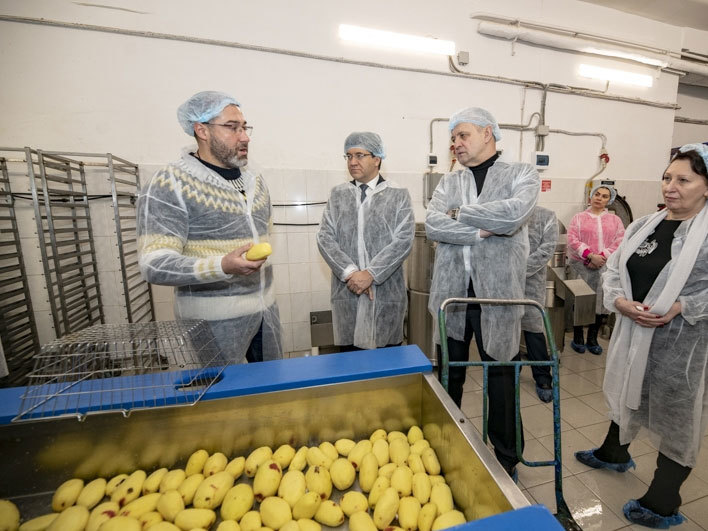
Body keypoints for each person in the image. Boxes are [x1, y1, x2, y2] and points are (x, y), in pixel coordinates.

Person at [574, 144, 708, 528]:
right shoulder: (644, 224)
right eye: (667, 177)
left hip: (684, 346)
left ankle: (664, 500)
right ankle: (614, 452)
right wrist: (618, 299)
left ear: (706, 187)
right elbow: (614, 267)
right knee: (627, 390)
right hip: (633, 330)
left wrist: (680, 306)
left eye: (684, 179)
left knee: (679, 417)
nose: (671, 186)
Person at [426, 107, 540, 478]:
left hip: (499, 297)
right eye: (453, 138)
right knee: (449, 376)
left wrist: (459, 214)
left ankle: (507, 454)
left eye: (463, 135)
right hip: (452, 296)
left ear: (488, 133)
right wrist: (477, 229)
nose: (456, 144)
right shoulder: (449, 181)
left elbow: (513, 214)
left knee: (501, 377)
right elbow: (433, 223)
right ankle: (445, 446)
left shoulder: (521, 173)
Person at [137, 91, 282, 364]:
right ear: (201, 130)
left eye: (244, 127)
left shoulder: (256, 183)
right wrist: (222, 266)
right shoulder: (170, 183)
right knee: (224, 401)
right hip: (213, 323)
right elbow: (154, 264)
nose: (245, 136)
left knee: (272, 395)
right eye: (232, 127)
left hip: (266, 315)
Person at [316, 132, 414, 351]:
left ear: (377, 158)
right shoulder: (338, 195)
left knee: (387, 365)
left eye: (359, 155)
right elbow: (325, 237)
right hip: (347, 293)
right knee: (351, 368)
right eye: (348, 156)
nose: (352, 162)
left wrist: (370, 274)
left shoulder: (398, 195)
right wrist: (352, 273)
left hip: (385, 296)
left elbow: (403, 241)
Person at [566, 184, 625, 354]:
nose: (600, 198)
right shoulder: (578, 218)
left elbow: (619, 241)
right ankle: (578, 337)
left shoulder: (615, 220)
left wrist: (602, 256)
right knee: (581, 301)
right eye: (597, 194)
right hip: (581, 265)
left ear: (610, 200)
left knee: (601, 302)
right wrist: (590, 256)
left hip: (604, 266)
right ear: (591, 197)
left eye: (605, 196)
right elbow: (572, 239)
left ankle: (592, 338)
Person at [521, 205, 559, 403]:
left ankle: (543, 378)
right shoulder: (505, 212)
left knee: (534, 330)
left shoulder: (547, 215)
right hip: (501, 282)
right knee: (505, 330)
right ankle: (509, 372)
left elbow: (548, 248)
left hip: (532, 283)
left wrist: (519, 269)